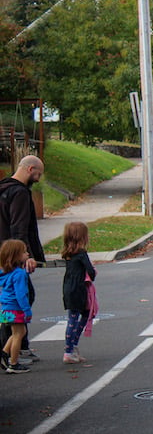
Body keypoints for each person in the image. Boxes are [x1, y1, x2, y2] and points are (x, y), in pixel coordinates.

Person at [0, 155, 45, 364]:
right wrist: (25, 255)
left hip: (3, 253)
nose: (38, 178)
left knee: (8, 299)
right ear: (29, 169)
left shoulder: (3, 189)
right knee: (22, 297)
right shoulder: (19, 193)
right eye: (38, 173)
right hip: (13, 255)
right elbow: (19, 227)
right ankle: (13, 349)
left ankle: (15, 346)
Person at [61, 222, 96, 364]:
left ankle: (72, 347)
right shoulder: (81, 254)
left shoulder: (67, 253)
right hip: (79, 288)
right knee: (77, 317)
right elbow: (90, 271)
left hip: (68, 287)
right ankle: (69, 350)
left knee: (76, 316)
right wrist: (92, 276)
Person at [0, 239, 32, 373]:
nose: (28, 254)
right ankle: (13, 363)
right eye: (24, 252)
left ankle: (4, 353)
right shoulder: (19, 273)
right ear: (16, 256)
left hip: (6, 308)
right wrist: (27, 310)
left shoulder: (6, 272)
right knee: (19, 334)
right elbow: (21, 294)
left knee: (18, 332)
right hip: (16, 308)